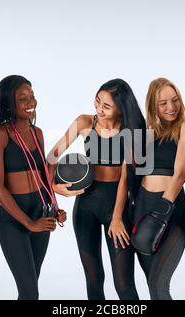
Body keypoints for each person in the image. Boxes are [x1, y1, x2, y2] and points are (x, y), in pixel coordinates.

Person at [47, 79, 146, 300]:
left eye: (106, 106)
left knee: (124, 285)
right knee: (93, 279)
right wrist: (54, 187)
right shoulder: (84, 122)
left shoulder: (133, 128)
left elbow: (125, 179)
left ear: (121, 107)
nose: (99, 109)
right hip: (85, 207)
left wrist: (118, 217)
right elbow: (51, 158)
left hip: (116, 207)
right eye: (97, 101)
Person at [0, 75, 66, 300]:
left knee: (31, 288)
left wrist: (54, 207)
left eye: (31, 96)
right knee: (29, 292)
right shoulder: (0, 134)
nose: (30, 101)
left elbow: (42, 176)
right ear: (8, 103)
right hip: (15, 220)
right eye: (22, 98)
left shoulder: (37, 133)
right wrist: (29, 223)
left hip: (41, 214)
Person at [132, 78, 185, 299]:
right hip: (141, 207)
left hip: (171, 209)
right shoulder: (145, 134)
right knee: (152, 283)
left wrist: (160, 211)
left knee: (159, 284)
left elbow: (180, 175)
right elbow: (129, 172)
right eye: (163, 103)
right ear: (153, 107)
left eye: (175, 100)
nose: (171, 107)